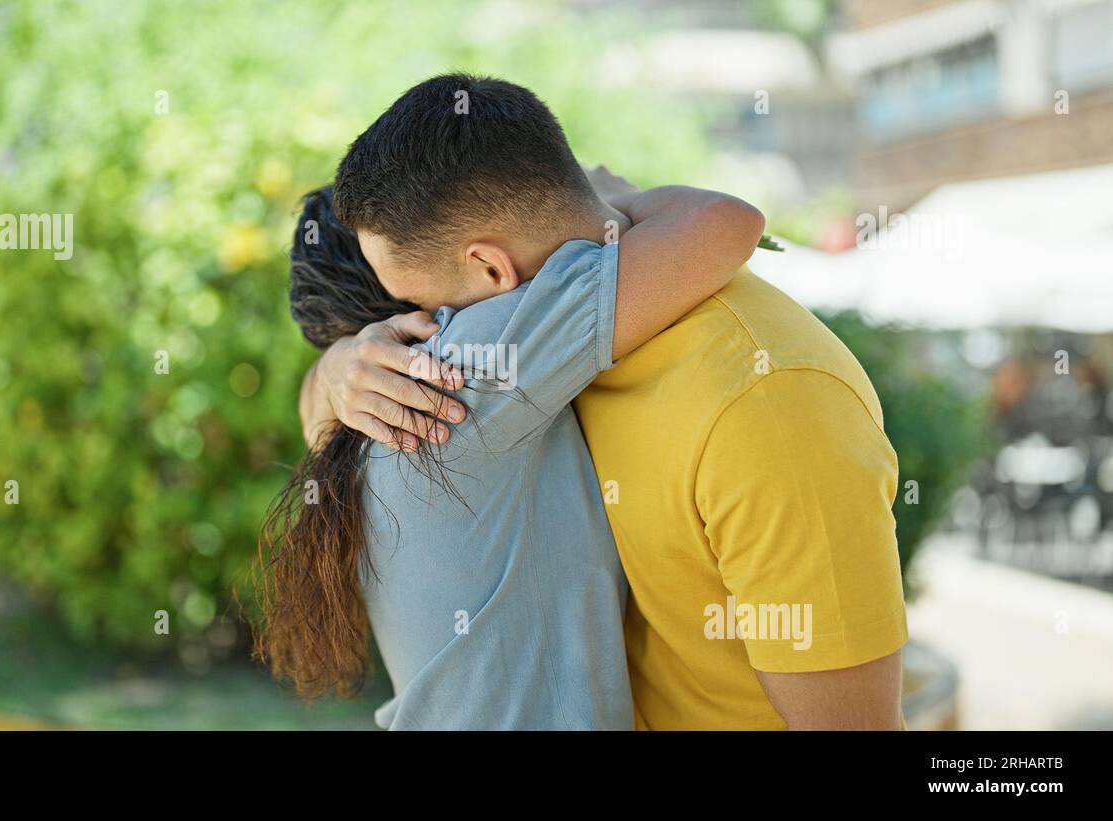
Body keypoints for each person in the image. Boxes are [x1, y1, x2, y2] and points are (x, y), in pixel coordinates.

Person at [305, 73, 908, 729]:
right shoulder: (504, 368)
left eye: (423, 308)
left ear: (492, 271)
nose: (427, 333)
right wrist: (339, 368)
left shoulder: (768, 399)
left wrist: (335, 370)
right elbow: (726, 218)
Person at [253, 85, 764, 729]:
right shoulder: (462, 365)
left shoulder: (365, 412)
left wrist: (331, 370)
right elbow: (727, 222)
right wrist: (606, 198)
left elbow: (313, 410)